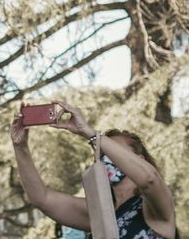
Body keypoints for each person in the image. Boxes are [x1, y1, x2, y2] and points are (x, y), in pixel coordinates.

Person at [10, 101, 177, 239]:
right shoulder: (100, 212)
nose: (106, 156)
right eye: (101, 152)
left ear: (140, 160)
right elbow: (42, 199)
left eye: (113, 150)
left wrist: (90, 134)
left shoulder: (155, 205)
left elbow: (149, 179)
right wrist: (20, 146)